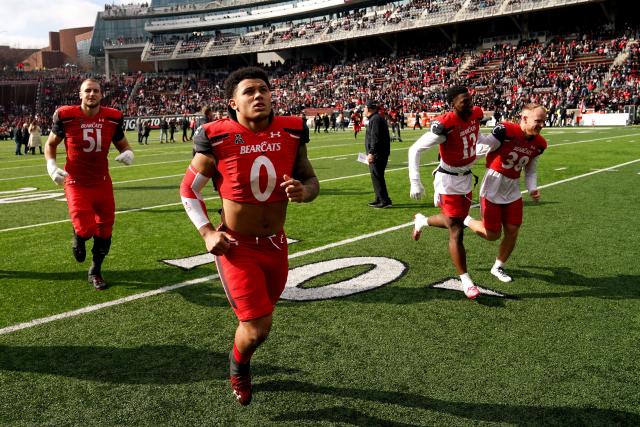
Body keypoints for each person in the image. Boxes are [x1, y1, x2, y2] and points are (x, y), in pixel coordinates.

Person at [179, 66, 319, 406]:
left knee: (263, 323)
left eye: (263, 89)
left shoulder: (292, 131)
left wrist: (305, 190)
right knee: (257, 326)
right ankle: (238, 368)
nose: (259, 95)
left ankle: (243, 355)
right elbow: (188, 190)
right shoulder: (217, 136)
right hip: (236, 248)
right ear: (233, 103)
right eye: (249, 91)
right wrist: (207, 232)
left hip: (276, 244)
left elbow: (311, 181)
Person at [44, 78, 134, 290]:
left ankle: (95, 271)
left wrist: (128, 153)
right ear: (80, 94)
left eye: (95, 91)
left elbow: (123, 144)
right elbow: (50, 144)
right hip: (75, 180)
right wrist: (50, 166)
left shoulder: (112, 117)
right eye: (88, 91)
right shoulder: (66, 115)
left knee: (105, 230)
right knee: (85, 228)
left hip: (102, 181)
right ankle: (79, 236)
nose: (92, 94)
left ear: (101, 94)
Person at [408, 86, 483, 299]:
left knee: (454, 221)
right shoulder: (445, 125)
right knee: (457, 228)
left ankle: (422, 221)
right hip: (448, 180)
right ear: (452, 104)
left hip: (467, 177)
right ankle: (466, 281)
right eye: (463, 102)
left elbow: (476, 134)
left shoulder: (476, 114)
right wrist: (415, 182)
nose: (468, 104)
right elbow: (414, 149)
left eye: (469, 100)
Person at [464, 104, 547, 282]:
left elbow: (530, 170)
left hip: (513, 189)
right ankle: (466, 220)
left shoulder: (539, 143)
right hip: (493, 185)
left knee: (513, 229)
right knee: (492, 234)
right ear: (524, 118)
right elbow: (484, 145)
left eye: (543, 121)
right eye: (538, 121)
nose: (541, 125)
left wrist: (532, 188)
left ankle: (498, 266)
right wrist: (474, 127)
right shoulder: (507, 130)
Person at [364, 100, 392, 208]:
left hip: (378, 154)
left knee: (377, 176)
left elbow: (375, 137)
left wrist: (371, 152)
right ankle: (379, 198)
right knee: (376, 176)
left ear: (370, 108)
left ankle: (384, 201)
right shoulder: (375, 118)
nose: (364, 110)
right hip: (379, 153)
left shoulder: (375, 119)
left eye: (365, 108)